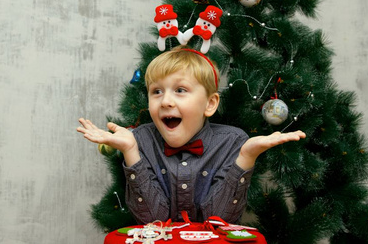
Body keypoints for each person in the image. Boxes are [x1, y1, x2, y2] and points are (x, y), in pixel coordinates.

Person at [77, 46, 306, 224]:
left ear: (210, 103)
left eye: (180, 90)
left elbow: (219, 221)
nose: (166, 101)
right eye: (156, 91)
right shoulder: (140, 140)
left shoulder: (233, 142)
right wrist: (130, 152)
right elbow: (152, 221)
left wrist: (246, 157)